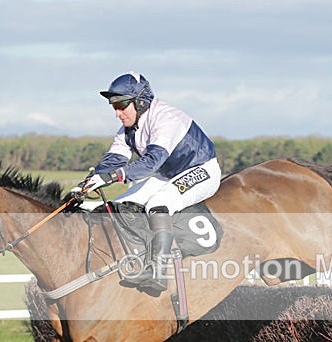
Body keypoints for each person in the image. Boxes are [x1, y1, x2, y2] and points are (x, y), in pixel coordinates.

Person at [72, 72, 221, 292]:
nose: (117, 113)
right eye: (114, 107)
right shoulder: (127, 130)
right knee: (117, 206)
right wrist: (86, 185)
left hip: (201, 169)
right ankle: (135, 257)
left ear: (140, 102)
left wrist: (113, 177)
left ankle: (158, 271)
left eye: (121, 105)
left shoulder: (166, 118)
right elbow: (114, 159)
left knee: (158, 205)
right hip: (169, 175)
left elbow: (151, 162)